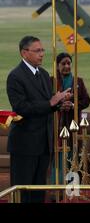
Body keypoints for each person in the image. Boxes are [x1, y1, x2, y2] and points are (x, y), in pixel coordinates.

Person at [6, 36, 70, 203]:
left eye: (42, 50)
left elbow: (46, 105)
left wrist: (59, 105)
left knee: (39, 191)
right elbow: (21, 108)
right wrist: (51, 102)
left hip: (44, 144)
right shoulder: (15, 76)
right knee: (23, 191)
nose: (42, 54)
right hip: (25, 145)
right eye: (37, 51)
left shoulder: (43, 74)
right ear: (24, 53)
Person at [51, 52, 90, 183]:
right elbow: (47, 101)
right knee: (57, 156)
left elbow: (86, 100)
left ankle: (72, 189)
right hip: (56, 126)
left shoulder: (78, 81)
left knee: (74, 155)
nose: (67, 66)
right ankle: (57, 187)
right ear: (57, 66)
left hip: (74, 126)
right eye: (63, 64)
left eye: (69, 63)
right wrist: (60, 105)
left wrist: (73, 104)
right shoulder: (52, 81)